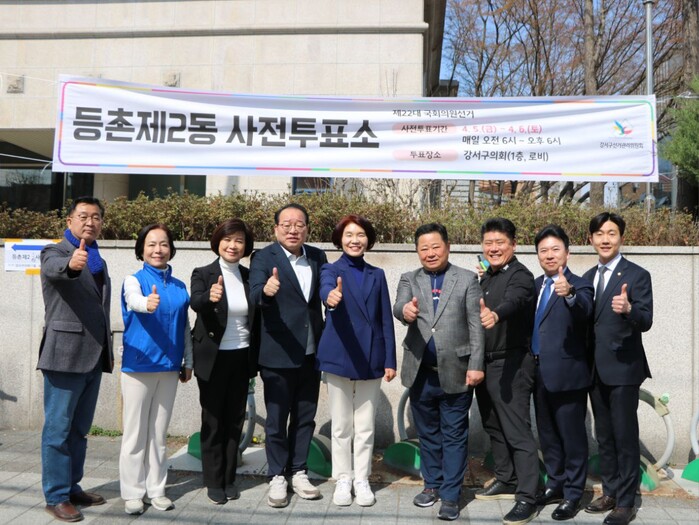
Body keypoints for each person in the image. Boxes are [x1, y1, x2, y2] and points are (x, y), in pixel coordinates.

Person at [393, 223, 484, 522]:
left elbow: (475, 325)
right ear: (417, 251)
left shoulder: (467, 279)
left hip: (457, 371)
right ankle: (432, 484)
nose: (430, 253)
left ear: (447, 247)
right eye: (424, 248)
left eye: (435, 247)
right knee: (428, 433)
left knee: (454, 435)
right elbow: (399, 305)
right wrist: (405, 311)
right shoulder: (409, 278)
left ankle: (451, 495)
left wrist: (476, 364)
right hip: (420, 372)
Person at [38, 196, 113, 522]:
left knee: (79, 430)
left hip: (93, 356)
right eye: (83, 216)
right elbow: (55, 270)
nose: (90, 222)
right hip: (64, 356)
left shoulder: (98, 260)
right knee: (57, 430)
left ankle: (71, 487)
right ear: (69, 221)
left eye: (96, 217)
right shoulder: (55, 252)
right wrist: (71, 264)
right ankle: (55, 496)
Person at [249, 203, 328, 508]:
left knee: (305, 417)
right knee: (277, 418)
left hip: (311, 351)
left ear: (307, 229)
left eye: (299, 224)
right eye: (286, 224)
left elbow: (321, 295)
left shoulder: (317, 256)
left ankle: (299, 471)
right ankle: (277, 475)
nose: (293, 229)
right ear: (276, 229)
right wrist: (266, 291)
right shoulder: (263, 257)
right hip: (277, 351)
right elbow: (254, 293)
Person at [316, 215, 397, 508]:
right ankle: (343, 478)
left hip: (371, 356)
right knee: (341, 425)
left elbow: (385, 318)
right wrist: (330, 297)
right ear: (340, 239)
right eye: (349, 235)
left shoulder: (377, 274)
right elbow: (326, 288)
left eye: (360, 235)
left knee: (365, 426)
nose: (355, 240)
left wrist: (390, 359)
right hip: (339, 354)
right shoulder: (330, 269)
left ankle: (361, 478)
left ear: (368, 240)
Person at [582, 212, 653, 525]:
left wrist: (629, 309)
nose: (605, 239)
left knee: (625, 436)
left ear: (621, 237)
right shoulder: (587, 277)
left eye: (611, 233)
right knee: (605, 435)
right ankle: (610, 492)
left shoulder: (637, 275)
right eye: (599, 233)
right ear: (591, 239)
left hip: (624, 369)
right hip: (595, 369)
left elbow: (646, 320)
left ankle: (626, 501)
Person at [119, 223, 193, 515]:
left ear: (171, 249)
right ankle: (133, 492)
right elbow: (132, 300)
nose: (158, 249)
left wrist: (188, 361)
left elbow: (184, 327)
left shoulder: (179, 286)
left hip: (169, 367)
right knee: (135, 434)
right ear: (141, 250)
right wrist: (146, 304)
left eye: (163, 244)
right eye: (151, 244)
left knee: (158, 434)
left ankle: (156, 490)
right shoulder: (133, 280)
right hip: (139, 366)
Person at [475, 217, 539, 525]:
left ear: (513, 244)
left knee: (517, 431)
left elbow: (516, 300)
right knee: (493, 425)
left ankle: (527, 496)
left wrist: (496, 315)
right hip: (485, 363)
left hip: (511, 364)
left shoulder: (521, 275)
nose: (494, 248)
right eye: (488, 243)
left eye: (500, 242)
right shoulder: (487, 276)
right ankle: (506, 478)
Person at [190, 219, 258, 505]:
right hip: (213, 358)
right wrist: (209, 297)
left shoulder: (249, 276)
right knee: (213, 420)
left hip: (242, 356)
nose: (233, 246)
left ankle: (229, 478)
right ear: (218, 242)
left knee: (235, 419)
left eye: (239, 241)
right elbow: (195, 301)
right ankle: (213, 480)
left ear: (246, 246)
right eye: (228, 240)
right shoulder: (203, 273)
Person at [531, 225, 594, 521]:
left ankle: (573, 493)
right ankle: (555, 484)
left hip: (568, 374)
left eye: (555, 249)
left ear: (567, 253)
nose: (549, 255)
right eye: (543, 250)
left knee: (572, 437)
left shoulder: (580, 285)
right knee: (548, 435)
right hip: (538, 372)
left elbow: (584, 310)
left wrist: (569, 294)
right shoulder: (536, 285)